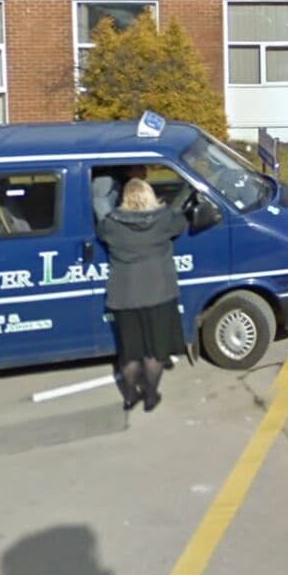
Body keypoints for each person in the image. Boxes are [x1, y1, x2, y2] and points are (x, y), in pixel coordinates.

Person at [97, 176, 190, 413]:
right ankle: (150, 396)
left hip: (124, 296)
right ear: (149, 194)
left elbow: (100, 226)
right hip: (159, 294)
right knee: (154, 353)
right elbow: (180, 221)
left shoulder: (111, 225)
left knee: (130, 354)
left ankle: (130, 396)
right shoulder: (164, 221)